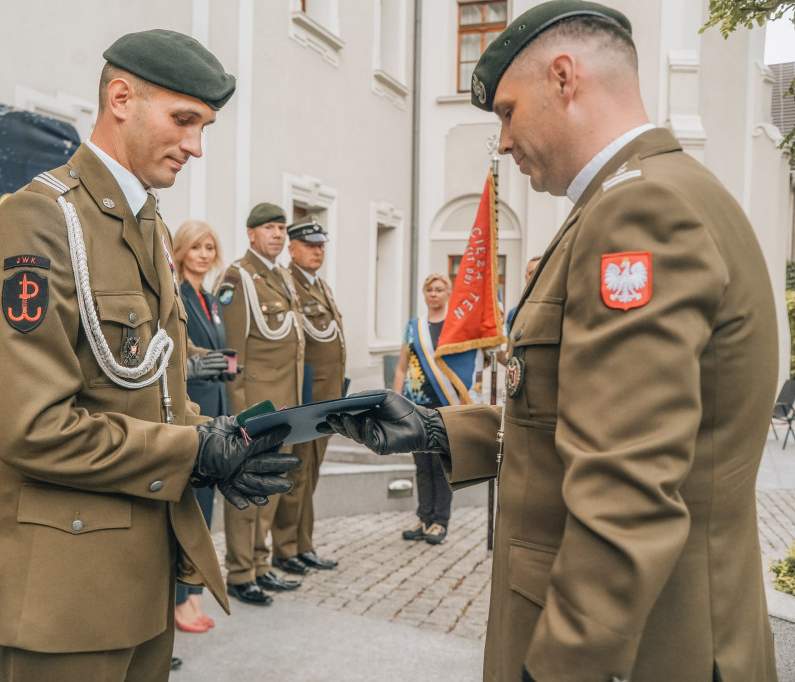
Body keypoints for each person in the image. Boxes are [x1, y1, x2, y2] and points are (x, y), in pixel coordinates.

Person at [322, 2, 779, 680]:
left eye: (507, 111)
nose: (502, 141)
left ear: (564, 78)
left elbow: (629, 482)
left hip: (647, 646)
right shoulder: (661, 191)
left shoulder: (637, 211)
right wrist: (439, 430)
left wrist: (563, 665)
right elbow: (586, 412)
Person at [0, 30, 298, 682]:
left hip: (142, 578)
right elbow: (30, 428)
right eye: (183, 120)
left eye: (205, 126)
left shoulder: (145, 223)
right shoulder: (40, 219)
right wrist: (190, 453)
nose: (196, 145)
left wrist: (218, 439)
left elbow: (154, 393)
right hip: (66, 594)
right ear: (121, 97)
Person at [217, 202, 306, 606]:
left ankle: (260, 564)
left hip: (286, 404)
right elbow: (231, 352)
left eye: (282, 229)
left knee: (269, 488)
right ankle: (239, 573)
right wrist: (237, 414)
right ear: (251, 233)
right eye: (269, 228)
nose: (277, 235)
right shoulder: (238, 276)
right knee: (247, 487)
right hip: (254, 404)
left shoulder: (282, 277)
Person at [171, 218, 235, 633]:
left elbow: (213, 349)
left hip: (217, 405)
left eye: (210, 247)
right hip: (190, 407)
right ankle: (178, 601)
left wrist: (226, 365)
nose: (204, 254)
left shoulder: (209, 297)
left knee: (206, 506)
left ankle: (193, 594)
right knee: (188, 507)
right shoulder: (175, 293)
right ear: (181, 251)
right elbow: (178, 352)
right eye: (197, 247)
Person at [273, 216, 343, 569]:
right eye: (310, 245)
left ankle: (303, 544)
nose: (318, 251)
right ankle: (285, 549)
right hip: (305, 398)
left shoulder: (321, 286)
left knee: (310, 474)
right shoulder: (289, 284)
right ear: (292, 248)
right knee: (295, 473)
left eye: (321, 245)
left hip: (327, 397)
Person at [390, 274, 456, 545]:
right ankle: (423, 518)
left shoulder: (455, 326)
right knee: (421, 466)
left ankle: (440, 521)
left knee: (441, 466)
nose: (434, 294)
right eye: (429, 289)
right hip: (416, 404)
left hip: (445, 404)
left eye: (439, 289)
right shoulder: (413, 327)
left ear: (448, 293)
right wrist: (394, 402)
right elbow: (402, 366)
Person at [496, 255, 540, 366]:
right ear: (526, 278)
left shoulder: (560, 308)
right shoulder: (514, 314)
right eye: (531, 273)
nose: (535, 276)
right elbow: (507, 353)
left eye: (540, 271)